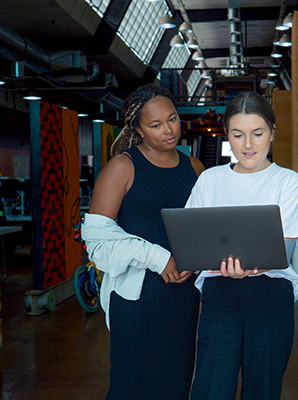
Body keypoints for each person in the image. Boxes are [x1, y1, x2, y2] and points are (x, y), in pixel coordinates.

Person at [187, 91, 298, 400]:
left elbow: (284, 252)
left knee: (263, 388)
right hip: (220, 294)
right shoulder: (210, 180)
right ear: (227, 135)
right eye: (238, 135)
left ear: (272, 132)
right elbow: (191, 238)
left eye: (257, 134)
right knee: (211, 385)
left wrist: (252, 266)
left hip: (270, 295)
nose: (247, 145)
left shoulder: (288, 181)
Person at [81, 84, 204, 399]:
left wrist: (196, 259)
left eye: (173, 119)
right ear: (138, 129)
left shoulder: (194, 168)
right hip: (137, 299)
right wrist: (157, 257)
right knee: (130, 384)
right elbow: (97, 240)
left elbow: (205, 228)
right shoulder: (122, 168)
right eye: (156, 125)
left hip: (183, 295)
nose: (168, 130)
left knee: (177, 382)